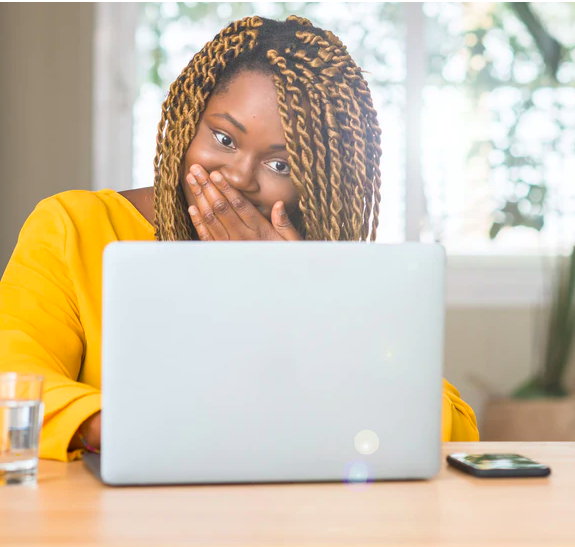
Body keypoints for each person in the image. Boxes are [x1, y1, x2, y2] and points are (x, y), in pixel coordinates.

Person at [0, 15, 479, 462]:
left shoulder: (331, 268)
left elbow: (449, 429)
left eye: (281, 164)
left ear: (315, 182)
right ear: (188, 122)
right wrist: (114, 426)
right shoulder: (74, 226)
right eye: (224, 139)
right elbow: (12, 378)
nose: (240, 176)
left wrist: (300, 293)